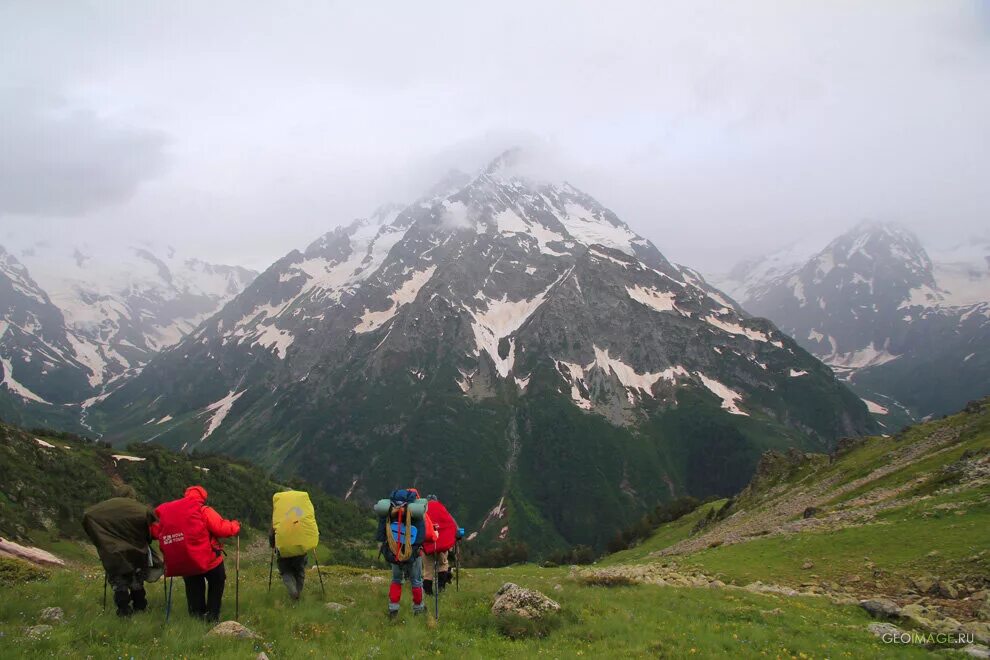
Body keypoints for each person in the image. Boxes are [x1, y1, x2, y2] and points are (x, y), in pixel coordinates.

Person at [153, 485, 240, 622]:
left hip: (186, 560)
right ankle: (212, 616)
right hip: (210, 559)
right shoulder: (203, 510)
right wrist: (235, 525)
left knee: (193, 588)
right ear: (203, 497)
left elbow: (159, 532)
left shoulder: (175, 514)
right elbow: (222, 529)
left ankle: (197, 619)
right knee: (216, 583)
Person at [82, 484, 161, 617]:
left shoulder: (102, 508)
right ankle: (140, 608)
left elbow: (87, 515)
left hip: (112, 552)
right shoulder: (140, 509)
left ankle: (123, 610)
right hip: (137, 552)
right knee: (136, 581)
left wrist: (100, 539)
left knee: (119, 582)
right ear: (132, 495)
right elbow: (151, 526)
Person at [375, 488, 435, 618]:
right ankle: (418, 609)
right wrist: (414, 551)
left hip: (394, 551)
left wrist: (385, 548)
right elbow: (421, 535)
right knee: (416, 581)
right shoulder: (415, 512)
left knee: (396, 579)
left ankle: (393, 609)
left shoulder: (389, 511)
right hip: (413, 553)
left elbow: (380, 534)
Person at [269, 527, 307, 600]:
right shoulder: (300, 516)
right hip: (299, 549)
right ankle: (297, 594)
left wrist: (272, 544)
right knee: (299, 572)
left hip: (283, 551)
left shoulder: (279, 517)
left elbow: (272, 534)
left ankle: (293, 593)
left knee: (286, 572)